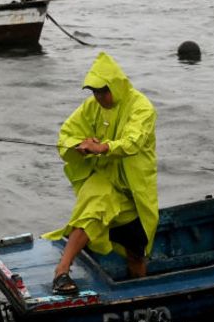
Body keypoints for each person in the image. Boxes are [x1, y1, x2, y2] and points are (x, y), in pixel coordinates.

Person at [44, 52, 158, 296]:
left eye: (102, 91)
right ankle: (61, 271)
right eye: (94, 92)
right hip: (103, 180)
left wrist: (103, 147)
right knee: (92, 211)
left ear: (115, 86)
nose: (99, 97)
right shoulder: (91, 107)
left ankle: (141, 295)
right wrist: (80, 144)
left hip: (133, 193)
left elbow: (132, 141)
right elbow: (66, 134)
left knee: (136, 252)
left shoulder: (141, 107)